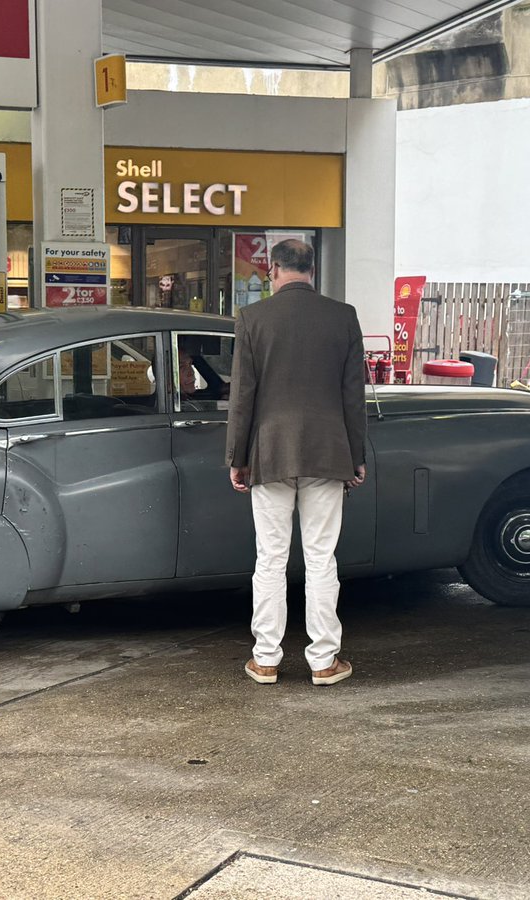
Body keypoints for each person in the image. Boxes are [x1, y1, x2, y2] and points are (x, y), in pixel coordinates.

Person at [225, 239, 366, 687]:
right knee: (322, 559)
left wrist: (237, 457)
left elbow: (242, 397)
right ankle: (323, 661)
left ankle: (265, 659)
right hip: (328, 451)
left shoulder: (253, 319)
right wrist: (356, 457)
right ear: (313, 270)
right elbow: (353, 397)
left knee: (270, 558)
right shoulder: (342, 317)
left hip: (269, 452)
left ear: (273, 270)